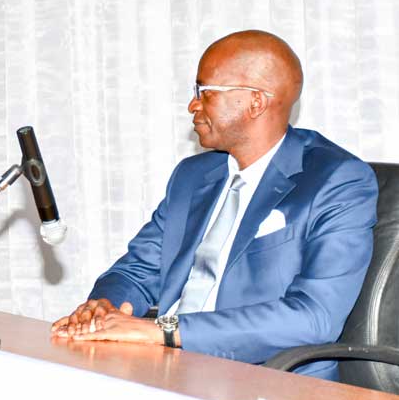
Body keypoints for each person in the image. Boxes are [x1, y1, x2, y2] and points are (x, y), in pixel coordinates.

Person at [51, 30, 378, 381]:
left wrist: (165, 331)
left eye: (204, 92)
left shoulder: (336, 180)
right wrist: (103, 307)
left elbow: (314, 317)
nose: (192, 106)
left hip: (268, 380)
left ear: (255, 102)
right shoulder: (193, 176)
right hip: (167, 368)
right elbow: (135, 271)